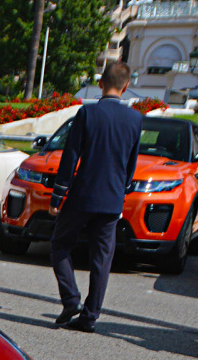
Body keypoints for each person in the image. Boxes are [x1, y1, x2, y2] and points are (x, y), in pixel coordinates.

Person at [46, 60, 142, 333]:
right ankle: (90, 316)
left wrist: (58, 196)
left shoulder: (87, 114)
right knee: (102, 259)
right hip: (111, 199)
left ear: (100, 83)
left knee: (60, 245)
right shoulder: (135, 119)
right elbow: (130, 164)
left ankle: (71, 298)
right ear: (126, 87)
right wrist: (121, 191)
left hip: (82, 195)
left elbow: (70, 158)